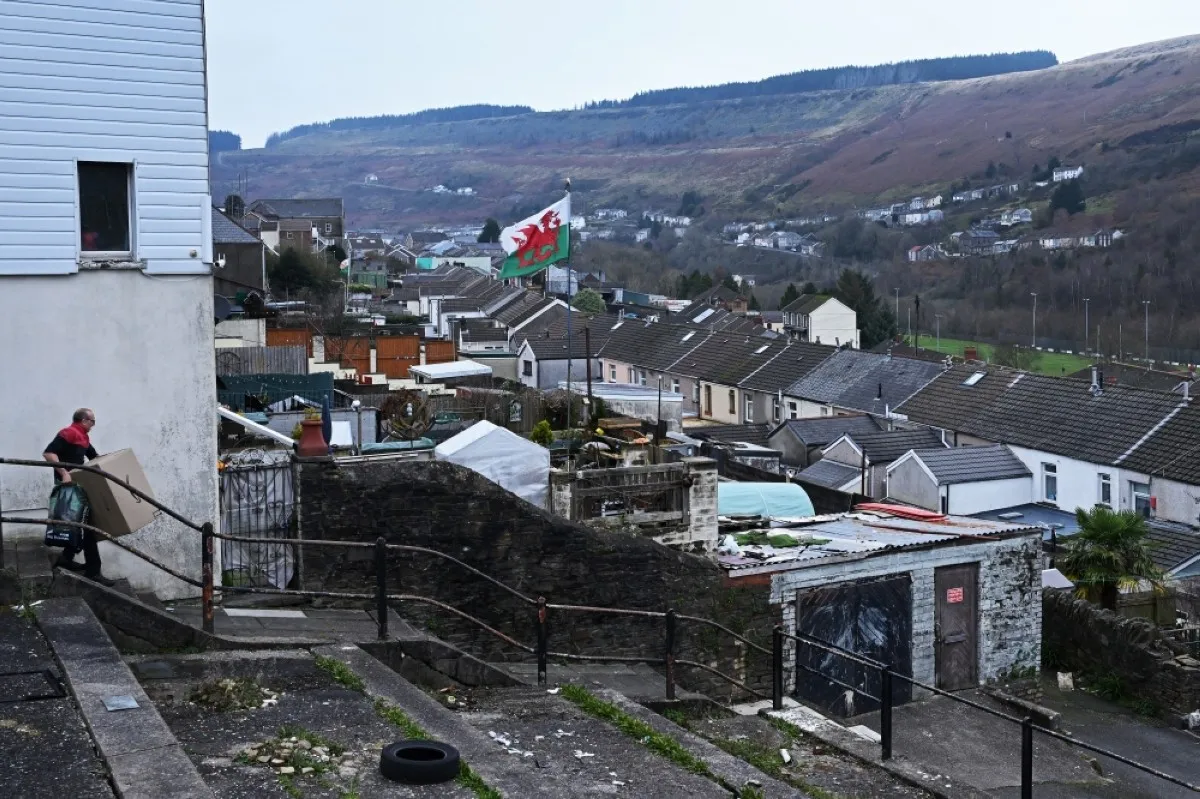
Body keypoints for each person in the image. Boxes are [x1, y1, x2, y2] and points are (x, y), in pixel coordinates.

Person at [43, 408, 114, 586]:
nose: (93, 425)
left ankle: (67, 558)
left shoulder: (83, 437)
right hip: (69, 488)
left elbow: (94, 458)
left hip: (79, 486)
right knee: (87, 525)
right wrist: (64, 473)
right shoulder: (68, 432)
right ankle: (93, 570)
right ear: (84, 420)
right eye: (92, 421)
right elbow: (49, 453)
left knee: (79, 524)